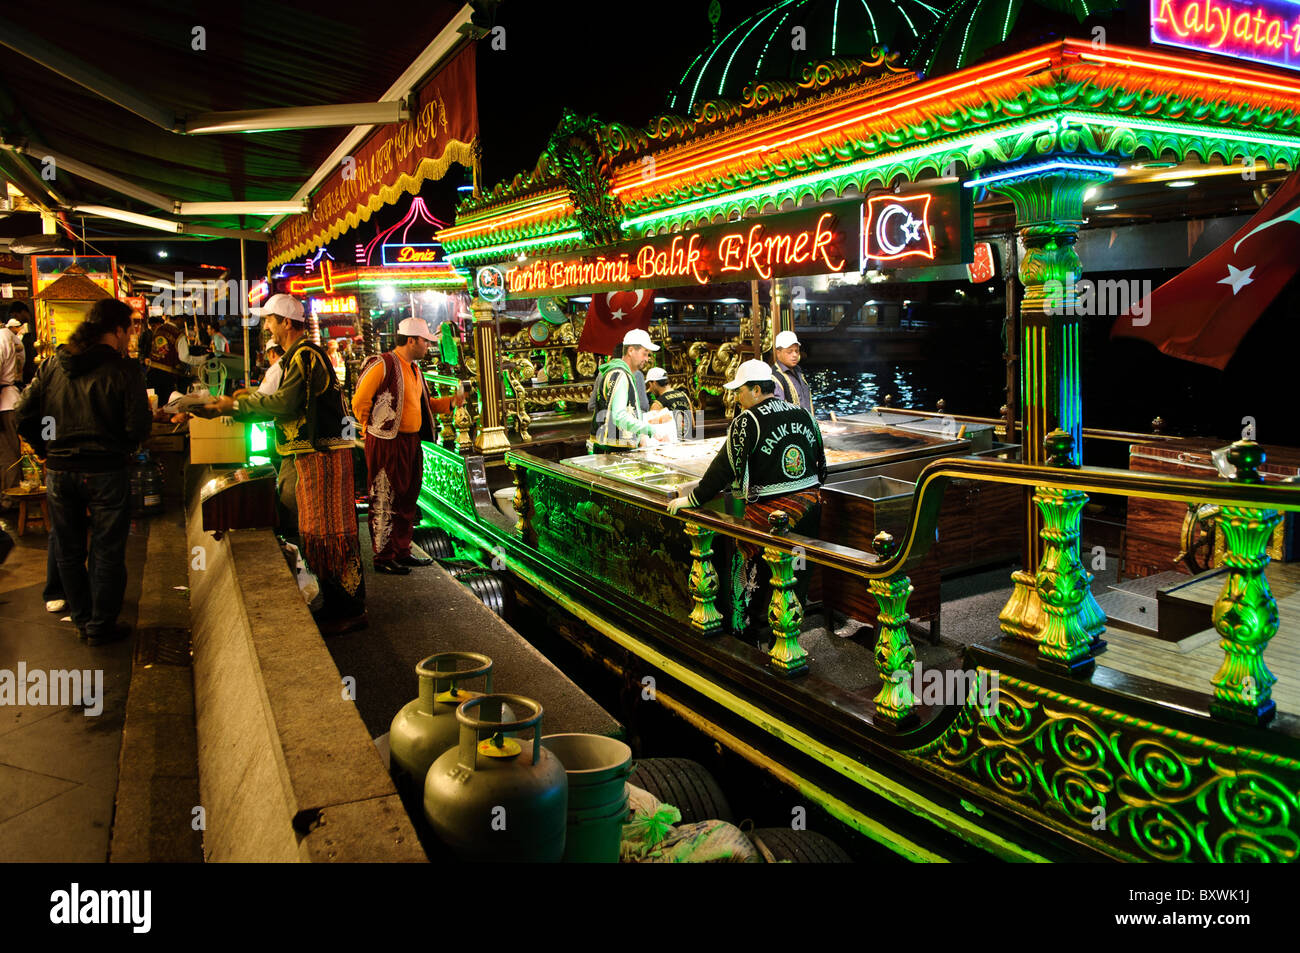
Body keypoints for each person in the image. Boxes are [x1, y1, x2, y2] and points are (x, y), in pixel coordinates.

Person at [204, 294, 367, 636]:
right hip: (314, 455)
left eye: (270, 320)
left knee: (331, 534)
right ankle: (340, 605)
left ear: (287, 323)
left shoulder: (306, 355)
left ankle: (349, 609)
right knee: (319, 532)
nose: (266, 327)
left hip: (324, 456)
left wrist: (238, 405)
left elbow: (286, 402)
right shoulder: (297, 357)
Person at [15, 298, 151, 645]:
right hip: (106, 471)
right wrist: (121, 444)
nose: (130, 338)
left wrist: (47, 447)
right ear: (117, 331)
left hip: (60, 472)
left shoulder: (52, 366)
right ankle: (100, 626)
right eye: (130, 330)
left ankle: (82, 619)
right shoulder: (124, 369)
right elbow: (137, 427)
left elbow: (24, 413)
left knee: (68, 548)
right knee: (106, 549)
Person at [667, 359, 826, 641]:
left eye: (739, 391)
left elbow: (722, 469)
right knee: (797, 575)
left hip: (768, 517)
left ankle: (745, 637)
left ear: (754, 390)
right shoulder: (804, 414)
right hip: (809, 509)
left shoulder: (746, 421)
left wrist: (692, 498)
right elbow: (821, 468)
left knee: (748, 577)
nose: (737, 398)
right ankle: (789, 640)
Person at [351, 317, 464, 575]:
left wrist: (452, 402)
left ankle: (402, 551)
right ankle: (383, 557)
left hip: (410, 442)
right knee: (384, 497)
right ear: (411, 340)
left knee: (407, 497)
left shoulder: (414, 369)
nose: (428, 346)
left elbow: (425, 405)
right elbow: (359, 401)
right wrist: (374, 431)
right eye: (425, 341)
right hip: (386, 442)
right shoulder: (383, 363)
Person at [588, 328, 662, 454]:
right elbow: (619, 417)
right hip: (614, 450)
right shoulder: (620, 375)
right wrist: (650, 430)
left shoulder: (614, 371)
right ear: (631, 350)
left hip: (606, 446)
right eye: (645, 353)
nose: (647, 358)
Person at [144, 313, 204, 398]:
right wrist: (203, 360)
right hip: (168, 378)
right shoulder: (179, 335)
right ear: (178, 318)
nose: (184, 322)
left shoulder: (158, 330)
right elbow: (184, 358)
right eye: (183, 319)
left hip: (152, 374)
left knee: (155, 404)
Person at [0, 316, 22, 507]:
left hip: (4, 405)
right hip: (10, 400)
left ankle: (10, 500)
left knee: (6, 454)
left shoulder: (2, 338)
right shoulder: (11, 338)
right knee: (10, 452)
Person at [770, 330, 814, 415]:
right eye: (790, 352)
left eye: (796, 351)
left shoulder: (798, 371)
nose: (794, 355)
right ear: (778, 353)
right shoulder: (775, 377)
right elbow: (779, 412)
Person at [646, 366, 695, 441]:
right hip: (689, 442)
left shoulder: (658, 404)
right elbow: (693, 424)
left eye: (650, 384)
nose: (650, 389)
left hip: (671, 447)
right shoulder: (684, 396)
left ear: (654, 383)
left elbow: (654, 435)